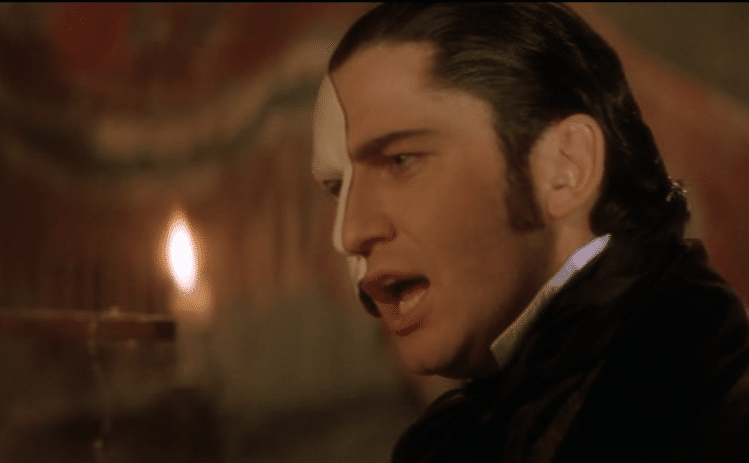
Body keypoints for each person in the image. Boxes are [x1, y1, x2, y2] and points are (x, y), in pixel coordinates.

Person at [311, 3, 749, 462]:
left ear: (566, 166)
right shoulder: (468, 432)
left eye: (400, 160)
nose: (349, 233)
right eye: (338, 189)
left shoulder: (715, 403)